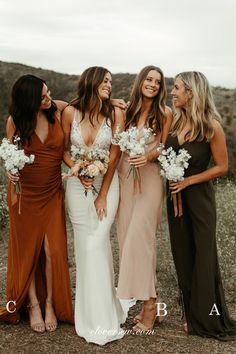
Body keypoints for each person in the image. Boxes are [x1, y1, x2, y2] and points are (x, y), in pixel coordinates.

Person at [62, 66, 131, 345]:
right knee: (85, 247)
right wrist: (77, 168)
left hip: (107, 184)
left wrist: (103, 192)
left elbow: (114, 155)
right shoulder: (69, 112)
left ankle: (104, 317)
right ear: (91, 81)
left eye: (111, 83)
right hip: (76, 186)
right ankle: (89, 315)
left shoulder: (115, 113)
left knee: (98, 242)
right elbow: (63, 150)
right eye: (105, 81)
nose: (109, 85)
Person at [0, 75, 74, 332]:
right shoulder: (15, 122)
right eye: (42, 96)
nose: (48, 98)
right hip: (25, 194)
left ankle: (51, 303)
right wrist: (10, 171)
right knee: (29, 249)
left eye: (48, 92)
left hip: (52, 191)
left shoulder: (59, 109)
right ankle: (32, 304)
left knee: (52, 249)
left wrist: (117, 103)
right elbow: (11, 156)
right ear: (28, 99)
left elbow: (85, 103)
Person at [166, 71, 236, 341]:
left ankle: (206, 318)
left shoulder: (211, 126)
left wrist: (189, 180)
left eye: (177, 88)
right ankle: (190, 315)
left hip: (199, 200)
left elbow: (222, 167)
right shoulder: (174, 122)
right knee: (182, 255)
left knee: (204, 258)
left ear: (191, 93)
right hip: (173, 197)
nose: (172, 92)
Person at [116, 65, 172, 331]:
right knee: (127, 239)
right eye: (149, 79)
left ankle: (149, 307)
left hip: (149, 179)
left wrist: (149, 155)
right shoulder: (126, 111)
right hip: (125, 178)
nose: (152, 84)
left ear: (161, 88)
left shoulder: (165, 113)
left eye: (158, 82)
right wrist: (112, 102)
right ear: (140, 81)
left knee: (142, 240)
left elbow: (162, 145)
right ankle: (154, 300)